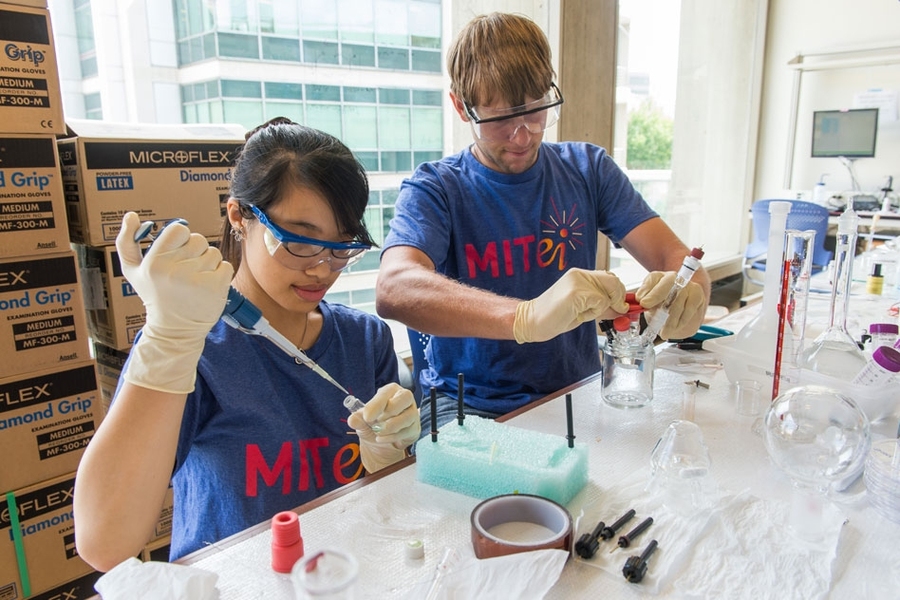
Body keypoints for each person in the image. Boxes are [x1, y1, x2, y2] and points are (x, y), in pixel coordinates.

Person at [74, 118, 420, 571]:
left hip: (341, 576)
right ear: (239, 216)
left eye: (341, 247)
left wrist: (391, 455)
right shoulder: (190, 348)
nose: (321, 269)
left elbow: (386, 503)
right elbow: (103, 542)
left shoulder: (364, 339)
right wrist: (169, 337)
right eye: (300, 241)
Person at [375, 13, 710, 434]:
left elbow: (676, 257)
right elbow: (394, 288)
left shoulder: (588, 170)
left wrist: (689, 294)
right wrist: (526, 317)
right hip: (471, 408)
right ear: (461, 106)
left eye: (536, 111)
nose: (523, 136)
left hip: (577, 394)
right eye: (500, 120)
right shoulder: (436, 188)